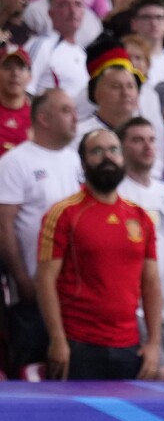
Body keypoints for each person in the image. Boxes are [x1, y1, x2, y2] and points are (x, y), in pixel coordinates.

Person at [36, 128, 162, 380]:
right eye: (97, 151)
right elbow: (45, 280)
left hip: (129, 346)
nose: (107, 157)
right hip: (78, 345)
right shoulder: (63, 213)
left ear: (123, 157)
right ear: (83, 162)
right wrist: (58, 341)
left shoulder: (140, 217)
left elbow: (151, 283)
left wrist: (154, 344)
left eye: (113, 150)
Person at [0, 88, 81, 374]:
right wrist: (21, 278)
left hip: (72, 293)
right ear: (43, 118)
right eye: (66, 111)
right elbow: (4, 226)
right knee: (33, 368)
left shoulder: (75, 160)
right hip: (33, 290)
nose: (75, 117)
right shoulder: (15, 162)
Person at [117, 117, 164, 381]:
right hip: (133, 310)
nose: (147, 146)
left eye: (151, 139)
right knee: (161, 377)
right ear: (122, 147)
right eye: (137, 140)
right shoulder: (117, 193)